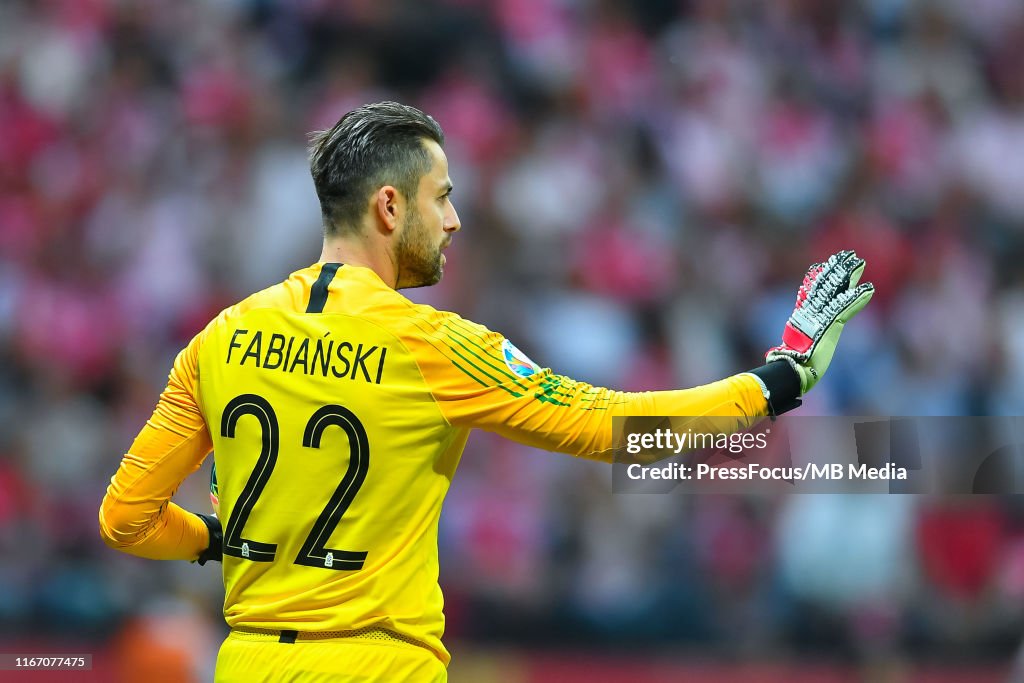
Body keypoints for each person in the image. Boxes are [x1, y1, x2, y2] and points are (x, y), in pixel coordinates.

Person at [99, 101, 873, 682]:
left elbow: (126, 517)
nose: (456, 219)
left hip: (246, 663)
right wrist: (780, 377)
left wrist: (214, 539)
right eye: (441, 195)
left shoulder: (221, 336)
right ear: (389, 206)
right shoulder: (437, 347)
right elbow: (616, 428)